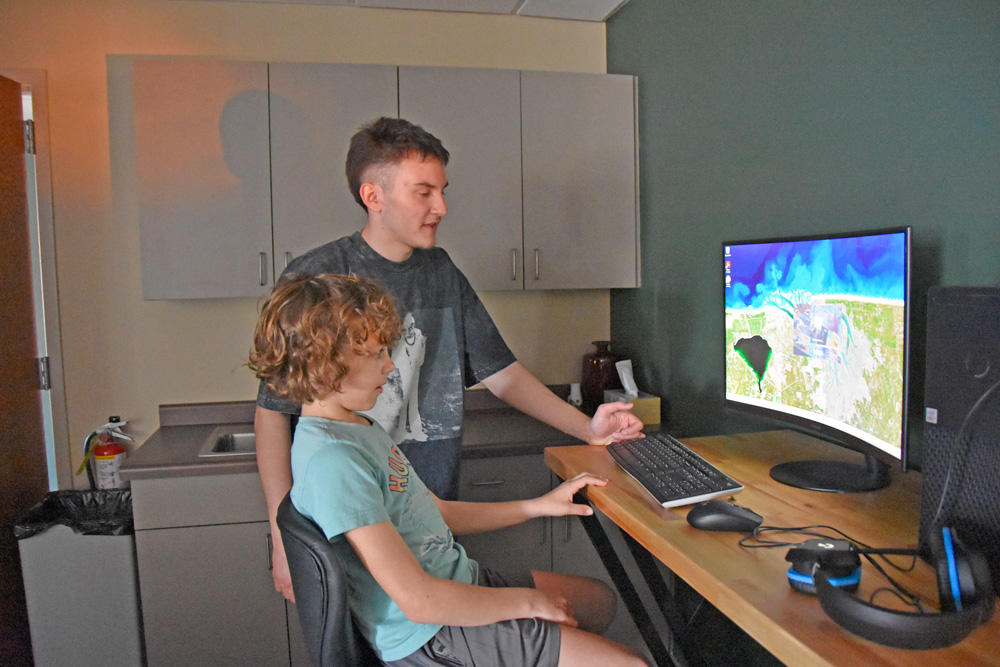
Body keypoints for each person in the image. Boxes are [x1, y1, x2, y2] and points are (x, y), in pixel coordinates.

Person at [255, 116, 643, 601]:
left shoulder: (440, 270)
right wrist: (283, 539)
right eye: (423, 192)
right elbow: (273, 412)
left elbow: (502, 374)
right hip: (351, 531)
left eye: (441, 191)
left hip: (431, 516)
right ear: (373, 196)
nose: (440, 207)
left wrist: (588, 429)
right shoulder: (318, 277)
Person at [249, 274, 648, 666]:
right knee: (630, 663)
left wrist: (537, 506)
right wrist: (528, 603)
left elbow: (433, 511)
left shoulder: (357, 427)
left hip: (454, 585)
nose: (390, 367)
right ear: (322, 365)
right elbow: (418, 601)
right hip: (429, 633)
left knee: (596, 601)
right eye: (374, 354)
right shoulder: (334, 460)